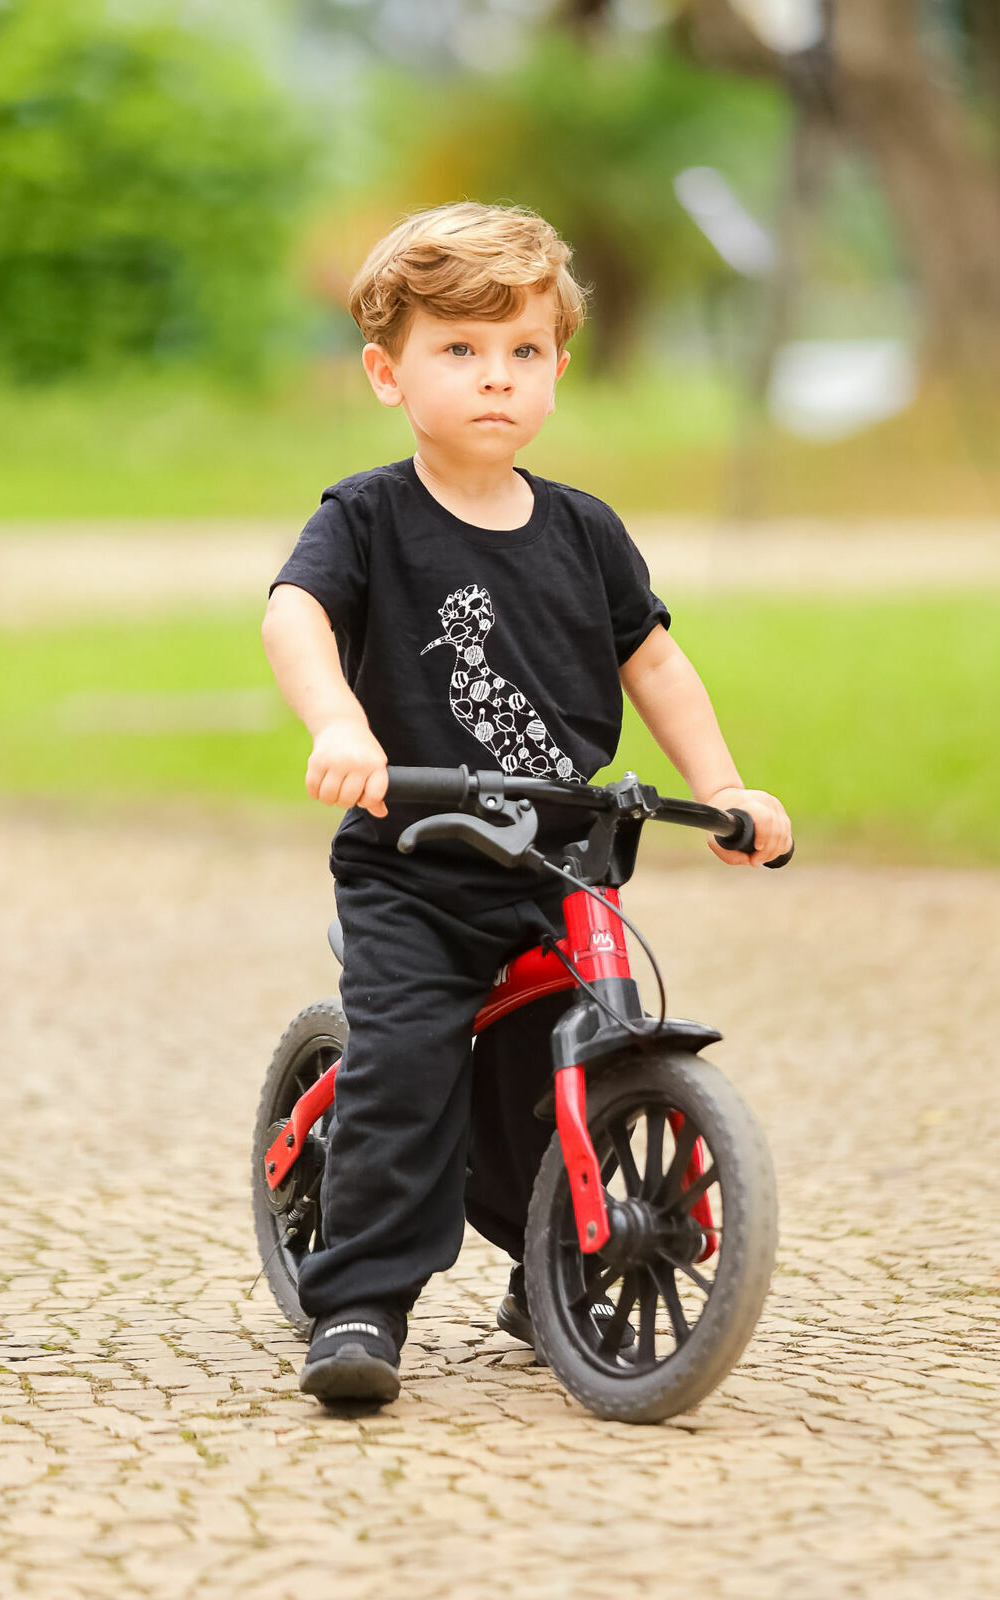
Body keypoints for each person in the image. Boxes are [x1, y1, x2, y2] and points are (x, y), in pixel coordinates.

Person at [262, 200, 792, 1405]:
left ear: (558, 366)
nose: (495, 379)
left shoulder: (584, 532)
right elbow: (294, 613)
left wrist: (723, 789)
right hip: (419, 859)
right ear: (387, 372)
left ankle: (554, 1251)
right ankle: (356, 1300)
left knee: (568, 1062)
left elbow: (652, 661)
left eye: (523, 352)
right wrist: (341, 723)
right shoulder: (371, 516)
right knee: (408, 1067)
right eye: (459, 350)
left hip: (563, 866)